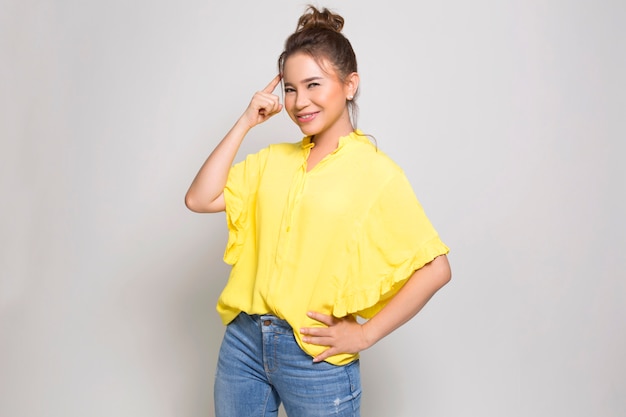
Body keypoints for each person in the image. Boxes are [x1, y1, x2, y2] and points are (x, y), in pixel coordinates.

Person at [185, 5, 451, 417]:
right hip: (244, 343)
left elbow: (437, 268)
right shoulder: (272, 160)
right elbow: (199, 199)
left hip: (313, 354)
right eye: (290, 89)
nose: (299, 101)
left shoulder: (376, 173)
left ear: (349, 85)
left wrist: (365, 336)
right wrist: (245, 122)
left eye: (313, 84)